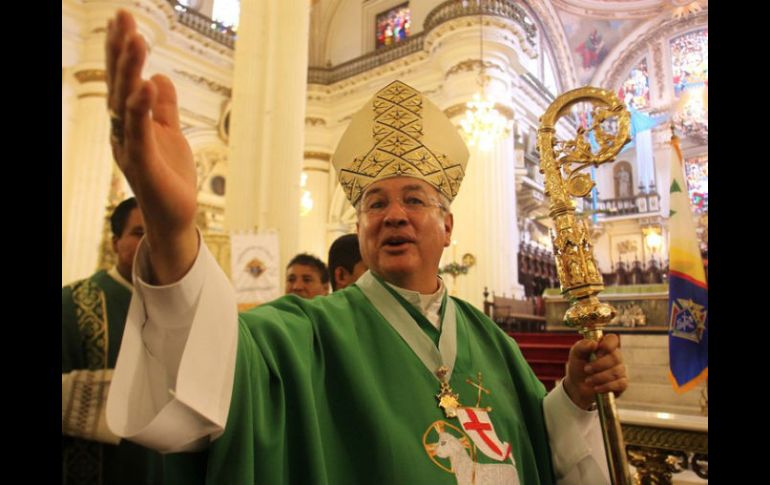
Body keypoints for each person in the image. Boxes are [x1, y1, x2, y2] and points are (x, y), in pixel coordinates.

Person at [104, 10, 627, 484]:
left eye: (414, 199)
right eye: (375, 204)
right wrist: (172, 235)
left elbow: (534, 450)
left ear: (447, 227)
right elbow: (206, 379)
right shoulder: (305, 334)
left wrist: (574, 398)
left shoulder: (493, 343)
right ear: (360, 229)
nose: (394, 214)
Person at [62, 196, 163, 485]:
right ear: (115, 242)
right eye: (139, 233)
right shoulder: (73, 303)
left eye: (161, 233)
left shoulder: (183, 308)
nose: (151, 242)